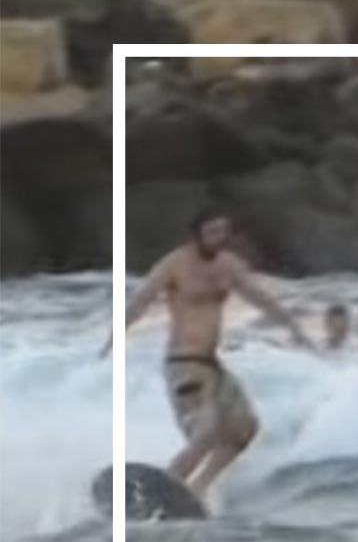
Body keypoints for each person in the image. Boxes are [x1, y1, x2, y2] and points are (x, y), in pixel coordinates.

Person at [101, 208, 315, 499]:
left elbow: (261, 299)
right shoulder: (175, 264)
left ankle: (198, 488)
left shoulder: (229, 265)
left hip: (211, 364)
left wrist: (293, 328)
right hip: (183, 363)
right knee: (209, 427)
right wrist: (113, 340)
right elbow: (140, 302)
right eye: (212, 232)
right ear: (196, 235)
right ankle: (168, 482)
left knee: (244, 430)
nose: (219, 238)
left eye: (223, 232)